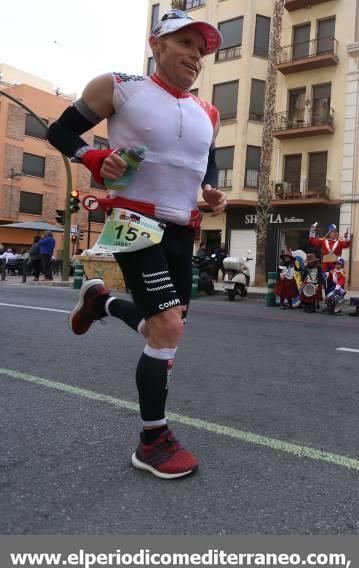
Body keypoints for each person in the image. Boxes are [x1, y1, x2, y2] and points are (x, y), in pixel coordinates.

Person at [46, 9, 226, 479]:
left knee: (160, 330)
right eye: (185, 43)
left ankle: (99, 302)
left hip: (183, 228)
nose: (195, 55)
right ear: (157, 44)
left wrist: (209, 192)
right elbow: (61, 131)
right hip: (134, 222)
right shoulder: (119, 86)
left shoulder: (209, 111)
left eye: (201, 49)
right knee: (168, 327)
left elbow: (204, 164)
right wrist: (93, 156)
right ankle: (152, 440)